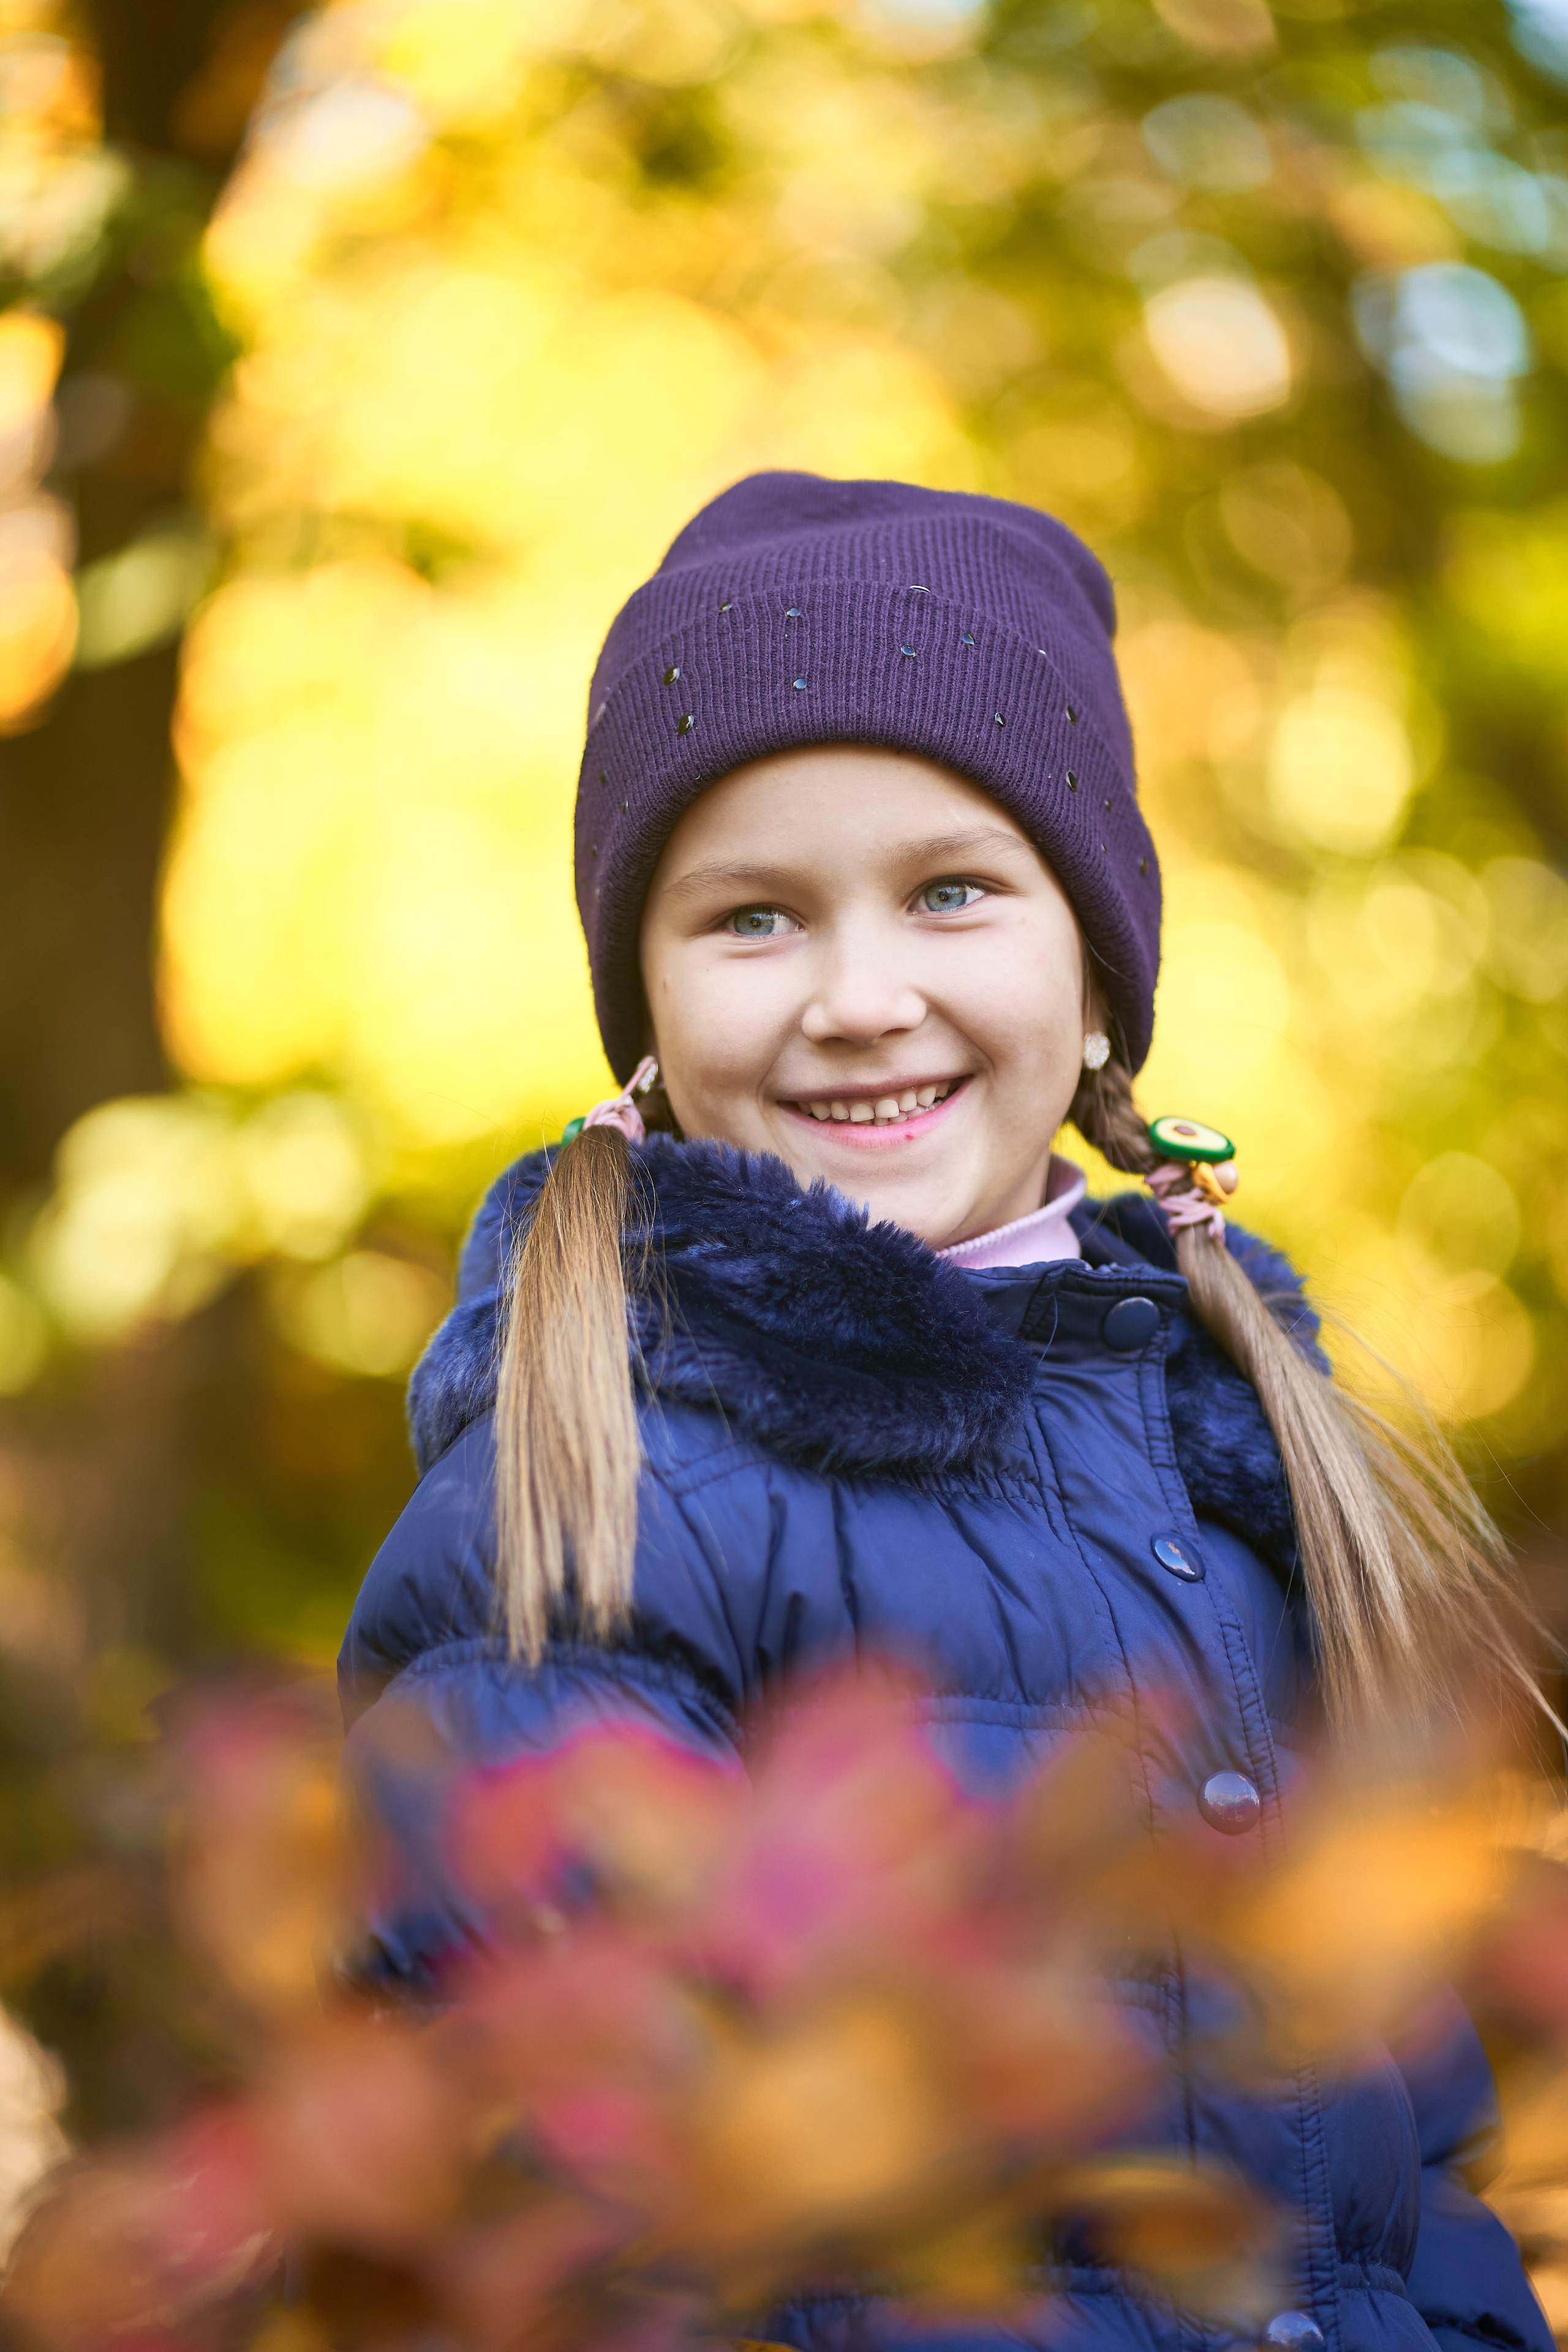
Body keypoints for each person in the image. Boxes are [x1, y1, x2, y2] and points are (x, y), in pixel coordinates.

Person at [339, 473, 1548, 2352]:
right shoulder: (600, 1500)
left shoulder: (1243, 1474)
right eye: (753, 917)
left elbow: (1424, 2178)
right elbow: (582, 2209)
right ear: (644, 1011)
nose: (861, 995)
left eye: (953, 890)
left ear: (1092, 984)